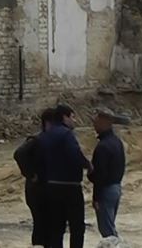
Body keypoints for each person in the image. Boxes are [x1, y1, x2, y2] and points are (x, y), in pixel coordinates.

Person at [38, 104, 91, 248]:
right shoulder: (66, 134)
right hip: (70, 187)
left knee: (56, 227)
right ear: (64, 117)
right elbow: (75, 155)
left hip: (51, 187)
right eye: (72, 117)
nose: (74, 121)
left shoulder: (44, 136)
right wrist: (88, 165)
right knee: (77, 226)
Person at [14, 108, 54, 247]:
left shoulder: (48, 140)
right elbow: (19, 153)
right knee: (41, 224)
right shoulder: (37, 140)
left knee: (46, 225)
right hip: (37, 189)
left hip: (42, 187)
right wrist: (31, 174)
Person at [89, 108, 129, 239]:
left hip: (106, 191)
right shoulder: (116, 142)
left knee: (107, 231)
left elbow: (100, 175)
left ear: (105, 122)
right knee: (109, 226)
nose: (94, 125)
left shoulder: (103, 147)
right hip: (115, 188)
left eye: (96, 122)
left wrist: (96, 197)